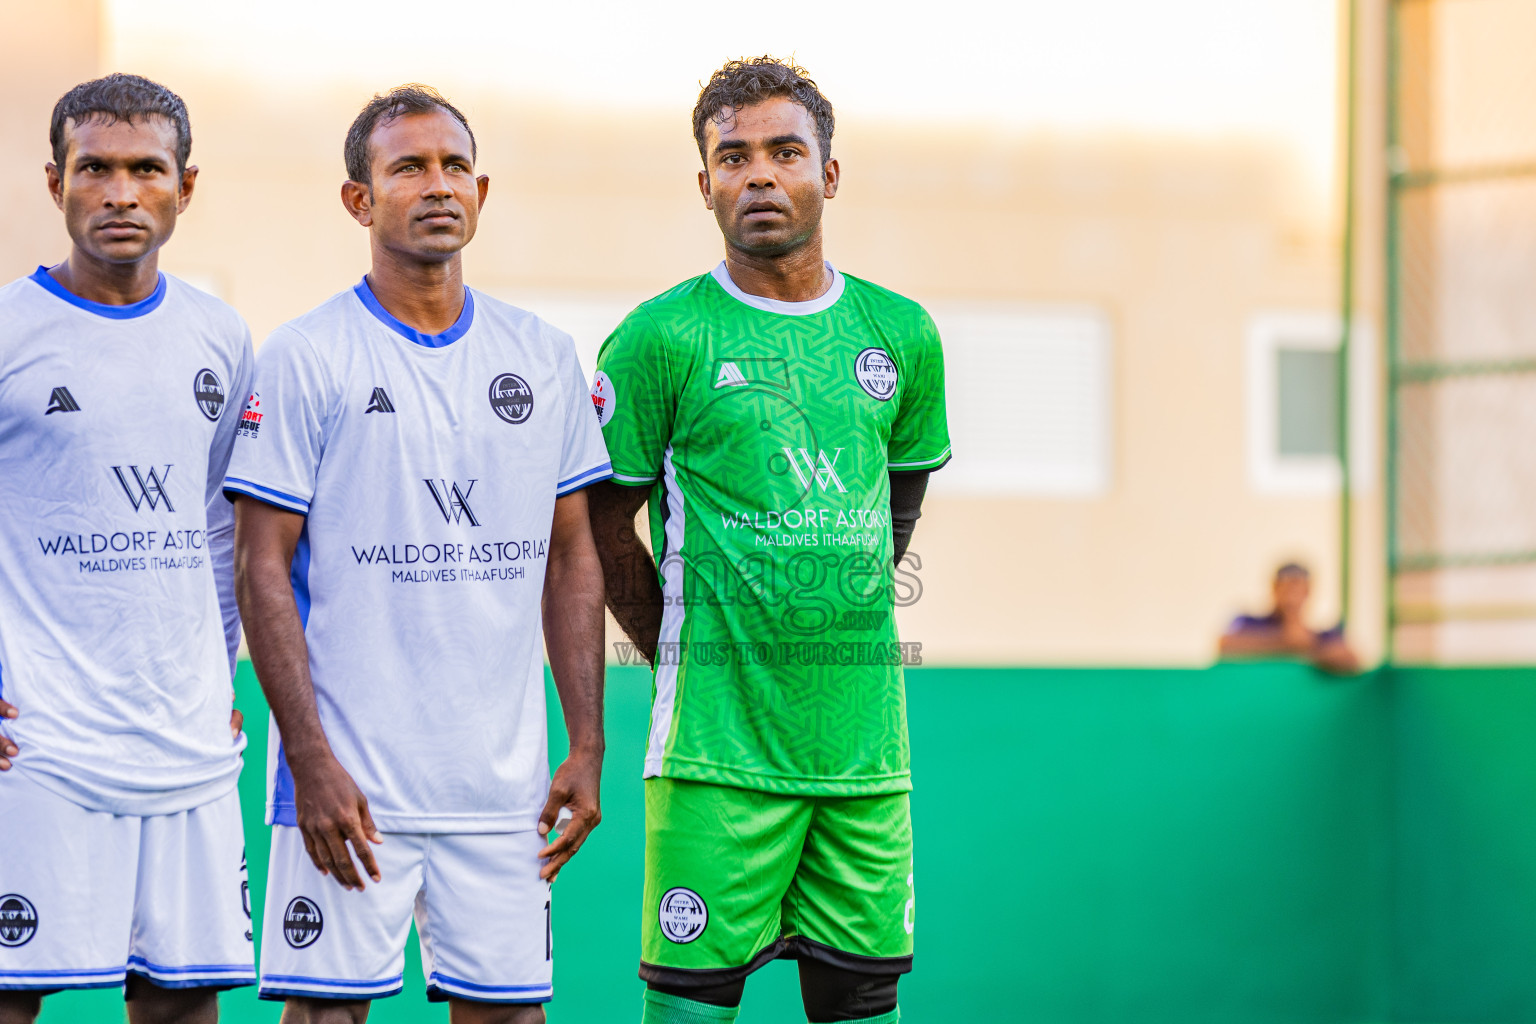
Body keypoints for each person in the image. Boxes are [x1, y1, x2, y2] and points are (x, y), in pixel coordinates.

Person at [225, 85, 609, 1023]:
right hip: (350, 785)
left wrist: (587, 743)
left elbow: (571, 557)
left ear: (481, 191)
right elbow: (259, 567)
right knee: (326, 1015)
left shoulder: (543, 355)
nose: (438, 185)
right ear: (359, 200)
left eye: (454, 167)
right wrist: (308, 760)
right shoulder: (307, 355)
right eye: (408, 168)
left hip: (504, 794)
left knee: (511, 1016)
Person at [587, 57, 950, 1024]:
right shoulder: (661, 337)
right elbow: (599, 527)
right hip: (716, 755)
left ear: (828, 173)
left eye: (785, 152)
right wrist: (680, 644)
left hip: (864, 759)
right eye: (733, 156)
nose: (759, 175)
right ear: (704, 182)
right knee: (693, 1005)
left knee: (862, 1000)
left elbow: (900, 501)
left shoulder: (900, 333)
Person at [0, 74, 255, 1023]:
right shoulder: (10, 331)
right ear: (54, 183)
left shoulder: (220, 337)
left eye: (146, 169)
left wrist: (216, 671)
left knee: (181, 1000)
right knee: (11, 994)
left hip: (186, 740)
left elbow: (224, 525)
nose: (120, 194)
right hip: (39, 741)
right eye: (94, 169)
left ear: (185, 186)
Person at [1217, 563, 1361, 675]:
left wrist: (1308, 646)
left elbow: (1351, 659)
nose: (1292, 596)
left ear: (1308, 592)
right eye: (1286, 588)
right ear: (1274, 588)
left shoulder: (1323, 636)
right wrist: (1285, 643)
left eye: (1298, 589)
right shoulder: (1249, 623)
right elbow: (1225, 644)